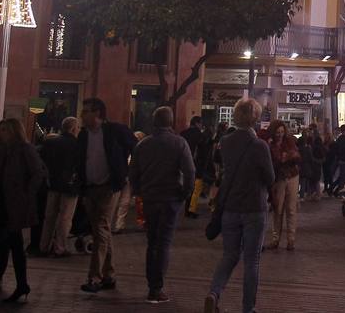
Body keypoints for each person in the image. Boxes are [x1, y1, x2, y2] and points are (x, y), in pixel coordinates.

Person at [205, 98, 274, 313]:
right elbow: (270, 177)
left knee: (229, 255)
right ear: (255, 118)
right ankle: (247, 308)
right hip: (254, 207)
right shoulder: (259, 145)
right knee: (252, 260)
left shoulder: (226, 142)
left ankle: (214, 293)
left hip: (230, 206)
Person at [128, 105, 194, 304]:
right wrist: (185, 193)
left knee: (152, 242)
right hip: (170, 198)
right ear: (170, 122)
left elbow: (133, 172)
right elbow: (190, 172)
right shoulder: (179, 143)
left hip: (150, 197)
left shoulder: (143, 144)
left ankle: (152, 284)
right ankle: (156, 288)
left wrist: (139, 190)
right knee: (163, 243)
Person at [0, 118, 45, 305]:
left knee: (3, 247)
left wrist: (26, 194)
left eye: (6, 130)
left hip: (15, 206)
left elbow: (37, 173)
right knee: (15, 248)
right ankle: (22, 284)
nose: (3, 134)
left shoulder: (25, 150)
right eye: (1, 130)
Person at [76, 97, 137, 294]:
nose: (82, 115)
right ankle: (109, 274)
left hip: (108, 187)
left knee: (101, 228)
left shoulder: (114, 131)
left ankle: (95, 277)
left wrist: (123, 173)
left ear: (98, 113)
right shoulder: (84, 135)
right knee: (101, 231)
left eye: (86, 111)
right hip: (90, 187)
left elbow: (135, 146)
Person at [38, 116, 81, 256]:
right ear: (74, 128)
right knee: (65, 218)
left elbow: (42, 161)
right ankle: (60, 247)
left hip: (53, 183)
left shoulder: (51, 143)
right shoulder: (77, 145)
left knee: (49, 216)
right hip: (69, 186)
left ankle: (44, 245)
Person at [266, 120, 300, 250]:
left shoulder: (289, 142)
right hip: (279, 178)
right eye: (277, 132)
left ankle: (291, 240)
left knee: (291, 209)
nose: (280, 134)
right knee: (277, 209)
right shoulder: (270, 145)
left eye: (281, 132)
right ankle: (276, 239)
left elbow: (297, 156)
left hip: (292, 176)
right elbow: (272, 162)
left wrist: (287, 157)